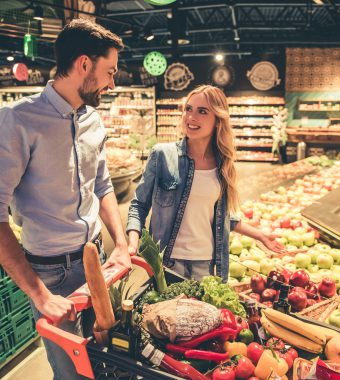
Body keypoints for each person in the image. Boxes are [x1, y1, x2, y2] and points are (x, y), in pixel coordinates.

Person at [0, 19, 131, 379]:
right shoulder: (18, 121)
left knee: (105, 358)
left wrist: (120, 243)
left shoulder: (93, 121)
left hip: (96, 260)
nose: (112, 83)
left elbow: (102, 186)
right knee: (71, 372)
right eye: (109, 71)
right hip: (48, 271)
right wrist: (40, 295)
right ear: (84, 65)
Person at [127, 85, 284, 282]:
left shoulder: (223, 165)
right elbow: (139, 205)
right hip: (167, 262)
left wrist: (260, 235)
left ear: (218, 121)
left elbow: (220, 216)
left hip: (206, 263)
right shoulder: (163, 155)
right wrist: (132, 245)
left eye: (202, 112)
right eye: (188, 109)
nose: (191, 117)